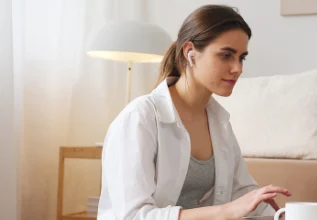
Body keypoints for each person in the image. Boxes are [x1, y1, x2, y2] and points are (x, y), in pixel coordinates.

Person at [98, 5, 290, 219]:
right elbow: (132, 216)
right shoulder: (139, 118)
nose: (238, 68)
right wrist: (225, 212)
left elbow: (244, 195)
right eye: (226, 55)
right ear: (190, 53)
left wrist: (286, 215)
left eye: (241, 57)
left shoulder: (220, 123)